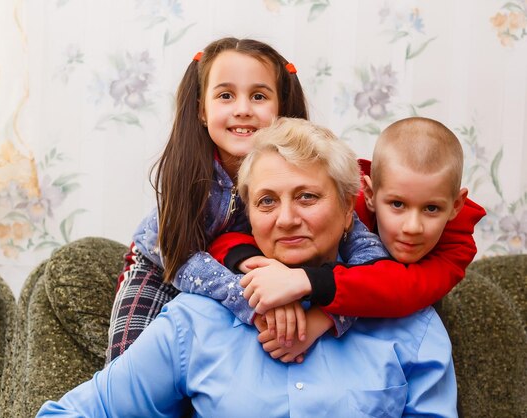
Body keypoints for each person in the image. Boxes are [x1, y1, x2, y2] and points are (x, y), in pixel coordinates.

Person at [37, 118, 457, 417]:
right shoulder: (196, 321)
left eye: (307, 197)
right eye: (267, 201)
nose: (286, 218)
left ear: (350, 210)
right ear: (250, 216)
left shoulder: (412, 326)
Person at [107, 37, 384, 361]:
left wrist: (325, 316)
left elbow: (372, 269)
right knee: (131, 364)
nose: (242, 109)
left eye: (258, 96)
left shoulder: (315, 173)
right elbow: (179, 256)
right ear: (201, 111)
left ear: (281, 108)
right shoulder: (191, 178)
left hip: (252, 277)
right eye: (226, 95)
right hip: (165, 270)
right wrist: (252, 301)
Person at [206, 117, 485, 360]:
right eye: (397, 205)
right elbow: (226, 240)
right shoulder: (351, 202)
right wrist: (260, 266)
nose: (412, 227)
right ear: (370, 194)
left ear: (456, 205)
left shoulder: (456, 246)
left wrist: (316, 309)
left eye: (432, 209)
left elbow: (399, 290)